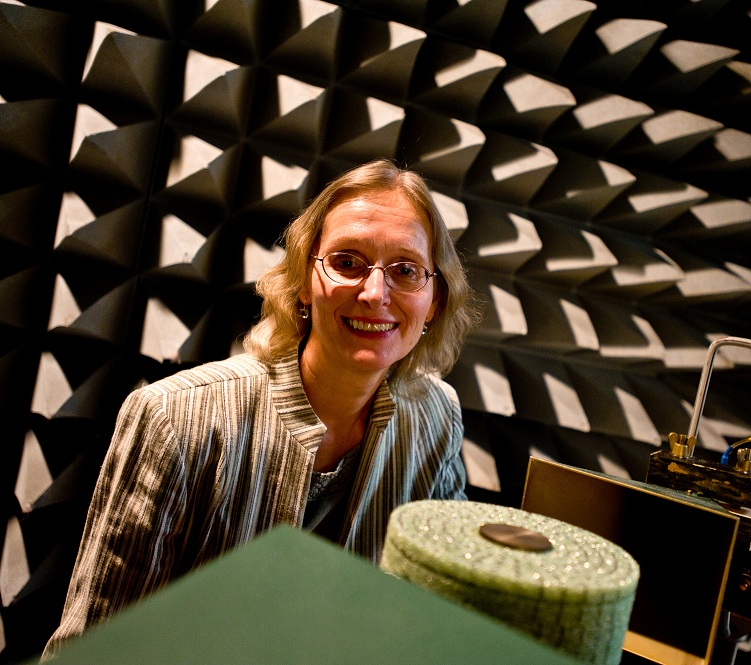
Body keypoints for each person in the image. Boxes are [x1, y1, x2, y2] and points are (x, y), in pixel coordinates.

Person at [43, 159, 479, 657]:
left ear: (435, 299)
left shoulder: (435, 416)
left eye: (405, 270)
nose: (375, 293)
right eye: (347, 262)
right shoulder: (175, 418)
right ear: (302, 283)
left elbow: (442, 605)